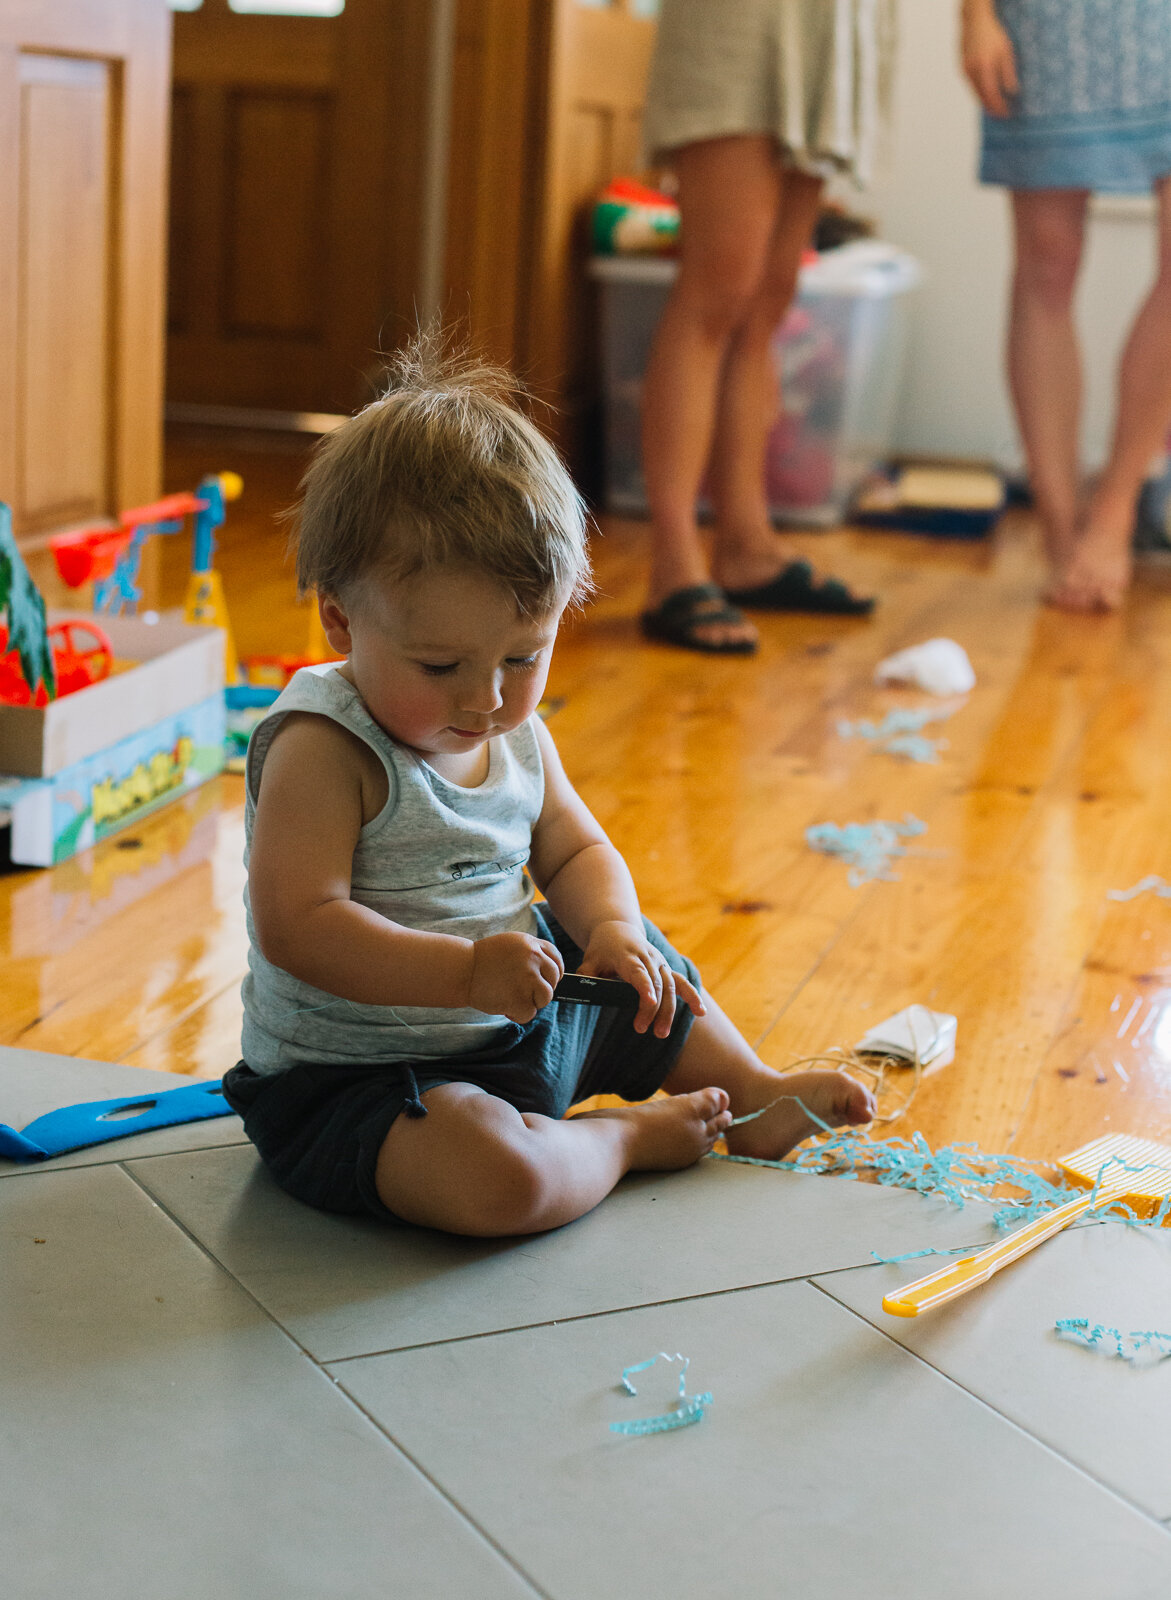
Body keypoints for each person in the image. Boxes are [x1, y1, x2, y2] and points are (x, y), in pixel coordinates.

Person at [221, 339, 874, 1238]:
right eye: (441, 662)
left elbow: (573, 848)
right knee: (501, 1184)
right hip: (359, 1088)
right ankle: (616, 1142)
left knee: (634, 957)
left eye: (523, 657)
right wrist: (462, 974)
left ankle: (751, 1093)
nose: (486, 699)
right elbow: (298, 926)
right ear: (340, 618)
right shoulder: (324, 746)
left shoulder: (513, 733)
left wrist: (607, 931)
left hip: (519, 1028)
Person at [636, 0, 896, 654]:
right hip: (743, 19)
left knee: (768, 299)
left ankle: (746, 545)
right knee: (718, 288)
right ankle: (672, 567)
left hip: (835, 20)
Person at [962, 0, 1171, 611]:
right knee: (1047, 261)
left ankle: (1114, 511)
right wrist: (974, 15)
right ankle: (1059, 531)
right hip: (1050, 21)